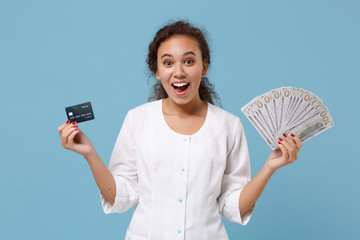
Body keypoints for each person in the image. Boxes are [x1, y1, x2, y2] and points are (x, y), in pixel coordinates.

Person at [57, 20, 302, 240]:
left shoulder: (228, 125)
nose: (179, 72)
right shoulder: (138, 119)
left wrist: (269, 167)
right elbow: (120, 197)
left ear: (204, 67)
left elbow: (233, 206)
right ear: (157, 71)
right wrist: (90, 153)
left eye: (189, 61)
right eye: (168, 62)